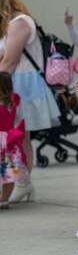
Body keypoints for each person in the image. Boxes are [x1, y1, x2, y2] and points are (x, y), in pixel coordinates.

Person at [0, 0, 62, 203]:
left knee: (20, 135)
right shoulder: (8, 25)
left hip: (20, 86)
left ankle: (23, 183)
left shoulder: (20, 22)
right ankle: (20, 183)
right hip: (11, 84)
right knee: (15, 136)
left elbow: (10, 61)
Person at [0, 72, 27, 208]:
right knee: (9, 174)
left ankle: (3, 199)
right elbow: (19, 119)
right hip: (10, 141)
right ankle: (4, 200)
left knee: (5, 173)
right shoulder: (13, 101)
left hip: (3, 141)